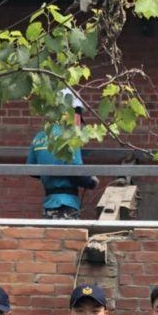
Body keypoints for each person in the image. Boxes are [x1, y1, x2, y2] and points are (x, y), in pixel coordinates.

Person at [29, 89, 98, 219]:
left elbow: (32, 169)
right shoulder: (71, 137)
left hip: (49, 205)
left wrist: (51, 173)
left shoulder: (39, 137)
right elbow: (76, 172)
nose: (79, 123)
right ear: (72, 112)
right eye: (79, 115)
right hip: (66, 206)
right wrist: (91, 181)